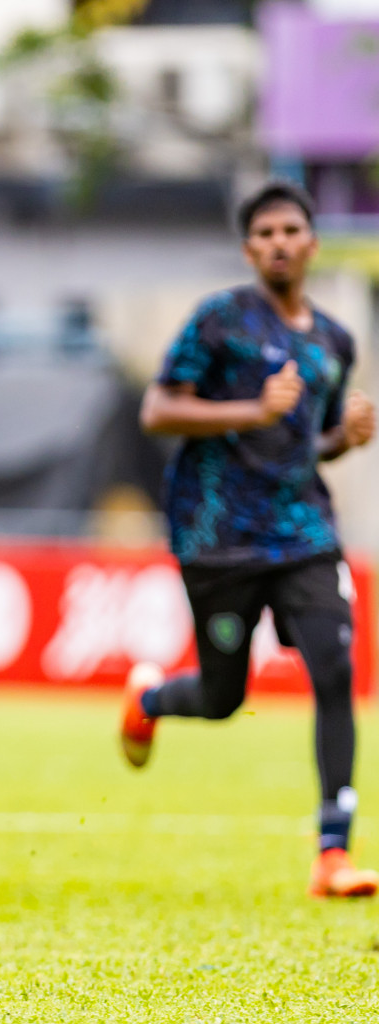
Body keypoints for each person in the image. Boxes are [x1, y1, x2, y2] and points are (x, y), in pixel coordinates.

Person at [122, 180, 379, 899]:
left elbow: (304, 441)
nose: (278, 243)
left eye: (289, 230)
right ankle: (147, 702)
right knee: (222, 695)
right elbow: (157, 409)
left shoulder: (334, 340)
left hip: (303, 530)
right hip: (219, 537)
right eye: (263, 233)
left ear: (311, 243)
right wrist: (251, 406)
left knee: (335, 664)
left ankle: (333, 851)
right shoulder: (220, 321)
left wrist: (344, 438)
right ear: (248, 249)